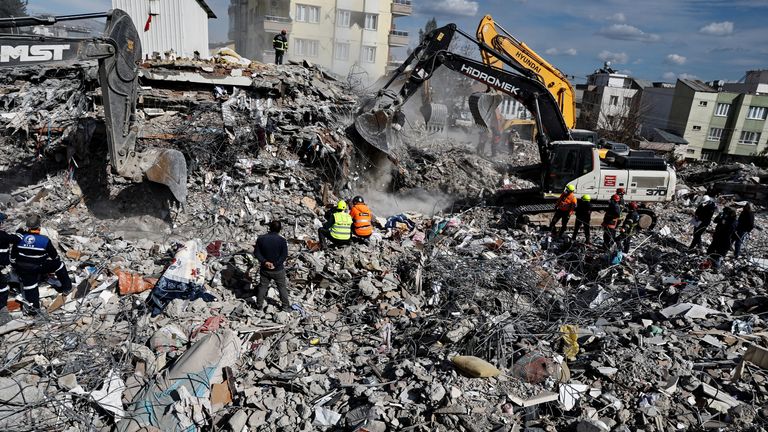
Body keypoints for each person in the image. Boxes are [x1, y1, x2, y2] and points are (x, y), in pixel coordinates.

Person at [10, 214, 72, 312]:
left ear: (28, 227)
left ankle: (33, 310)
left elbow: (12, 258)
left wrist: (17, 269)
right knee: (60, 265)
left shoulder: (19, 238)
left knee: (30, 287)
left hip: (23, 268)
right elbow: (55, 257)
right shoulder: (44, 240)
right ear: (39, 227)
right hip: (37, 267)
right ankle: (67, 288)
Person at [253, 220, 291, 312]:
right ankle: (285, 306)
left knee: (263, 286)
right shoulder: (282, 241)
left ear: (269, 227)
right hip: (278, 270)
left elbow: (257, 253)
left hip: (265, 269)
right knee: (282, 287)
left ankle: (259, 305)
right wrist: (275, 264)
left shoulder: (261, 239)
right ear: (280, 229)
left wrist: (265, 262)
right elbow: (284, 255)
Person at [0, 213, 13, 311]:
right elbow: (16, 239)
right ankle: (2, 308)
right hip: (1, 268)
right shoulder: (3, 235)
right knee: (3, 288)